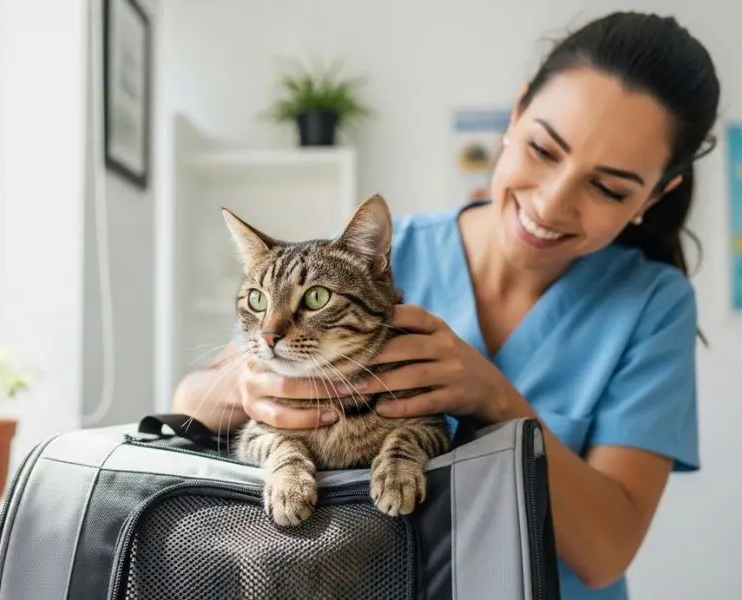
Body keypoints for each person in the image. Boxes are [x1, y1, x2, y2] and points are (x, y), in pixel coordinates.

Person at [171, 11, 720, 600]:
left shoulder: (652, 303)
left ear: (655, 195)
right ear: (515, 115)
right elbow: (189, 402)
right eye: (542, 148)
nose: (553, 203)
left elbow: (606, 552)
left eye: (608, 187)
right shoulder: (382, 254)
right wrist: (249, 386)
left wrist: (494, 397)